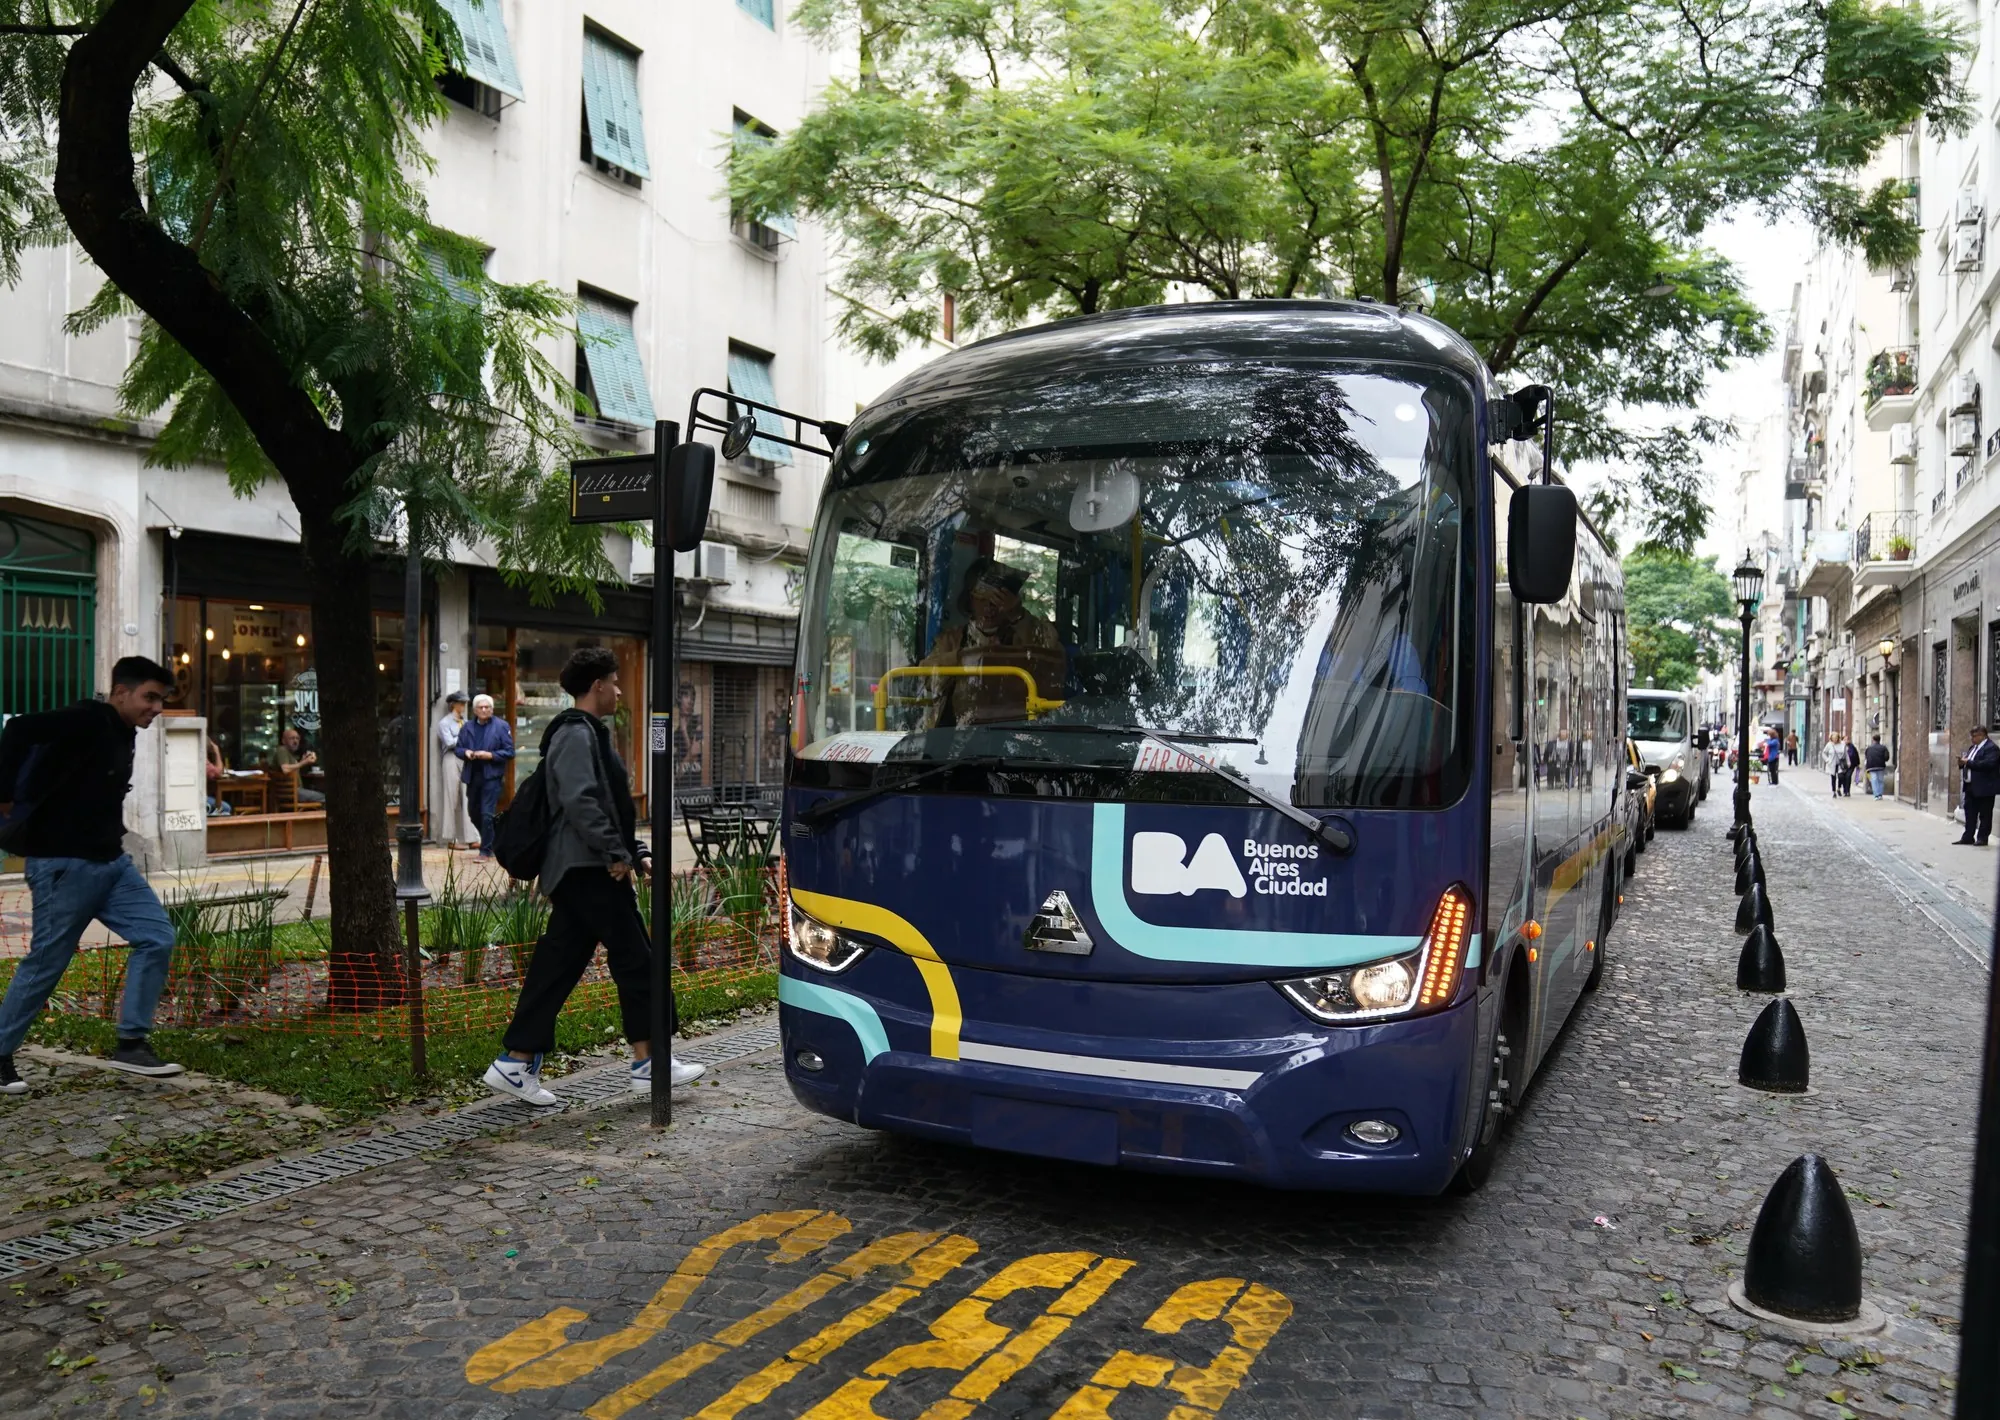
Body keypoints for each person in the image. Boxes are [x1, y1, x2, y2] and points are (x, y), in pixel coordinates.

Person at [482, 647, 704, 1105]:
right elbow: (581, 802)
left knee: (558, 965)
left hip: (585, 866)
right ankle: (648, 1062)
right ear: (597, 686)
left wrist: (634, 850)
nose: (621, 690)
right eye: (615, 682)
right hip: (589, 867)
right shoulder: (574, 734)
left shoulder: (586, 734)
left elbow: (605, 804)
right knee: (637, 959)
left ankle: (515, 1061)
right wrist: (616, 853)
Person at [0, 657, 184, 1094]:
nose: (156, 707)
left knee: (157, 937)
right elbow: (17, 730)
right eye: (150, 697)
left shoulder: (124, 732)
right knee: (47, 963)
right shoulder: (87, 719)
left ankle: (131, 1043)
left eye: (161, 699)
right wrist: (3, 797)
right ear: (121, 692)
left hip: (112, 864)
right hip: (63, 864)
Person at [919, 557, 1063, 726]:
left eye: (997, 600)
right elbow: (926, 678)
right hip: (958, 729)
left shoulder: (1020, 634)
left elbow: (1051, 654)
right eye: (981, 599)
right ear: (969, 600)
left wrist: (1018, 616)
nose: (989, 608)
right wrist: (966, 659)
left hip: (1010, 728)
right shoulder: (952, 639)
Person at [455, 692, 515, 859]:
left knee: (486, 813)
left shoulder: (501, 726)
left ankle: (485, 850)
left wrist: (490, 755)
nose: (484, 710)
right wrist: (466, 752)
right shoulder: (467, 727)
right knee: (473, 813)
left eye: (487, 707)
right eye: (480, 707)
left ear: (492, 709)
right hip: (473, 775)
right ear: (474, 710)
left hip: (491, 776)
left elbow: (510, 752)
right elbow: (458, 749)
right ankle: (495, 841)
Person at [432, 690, 474, 848]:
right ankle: (451, 838)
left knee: (467, 796)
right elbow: (449, 742)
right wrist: (464, 738)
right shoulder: (444, 723)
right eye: (461, 703)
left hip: (466, 757)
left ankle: (471, 837)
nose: (463, 706)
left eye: (464, 703)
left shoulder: (467, 722)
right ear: (453, 705)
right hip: (451, 758)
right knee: (451, 797)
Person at [1956, 724, 2000, 846]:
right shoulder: (1973, 748)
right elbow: (1967, 762)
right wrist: (1961, 763)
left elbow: (1988, 765)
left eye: (1974, 736)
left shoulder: (1992, 748)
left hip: (1985, 787)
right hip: (1970, 786)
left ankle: (1982, 838)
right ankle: (1968, 837)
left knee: (1985, 814)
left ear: (1982, 736)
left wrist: (1968, 762)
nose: (1972, 739)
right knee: (1970, 813)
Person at [270, 726, 324, 804]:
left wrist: (303, 760)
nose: (295, 741)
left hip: (294, 791)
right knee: (325, 797)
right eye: (292, 738)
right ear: (283, 741)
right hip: (291, 792)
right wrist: (304, 762)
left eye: (297, 738)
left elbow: (293, 769)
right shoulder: (282, 750)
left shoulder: (290, 754)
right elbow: (285, 769)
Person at [204, 736, 231, 817]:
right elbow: (218, 773)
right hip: (198, 800)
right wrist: (216, 751)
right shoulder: (201, 758)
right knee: (226, 808)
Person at [1864, 733, 1890, 800]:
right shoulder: (1883, 748)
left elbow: (1866, 756)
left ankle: (1876, 795)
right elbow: (1887, 757)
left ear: (1873, 740)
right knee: (1880, 780)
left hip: (1871, 766)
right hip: (1880, 766)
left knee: (1874, 780)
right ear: (1879, 740)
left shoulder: (1869, 748)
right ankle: (1880, 794)